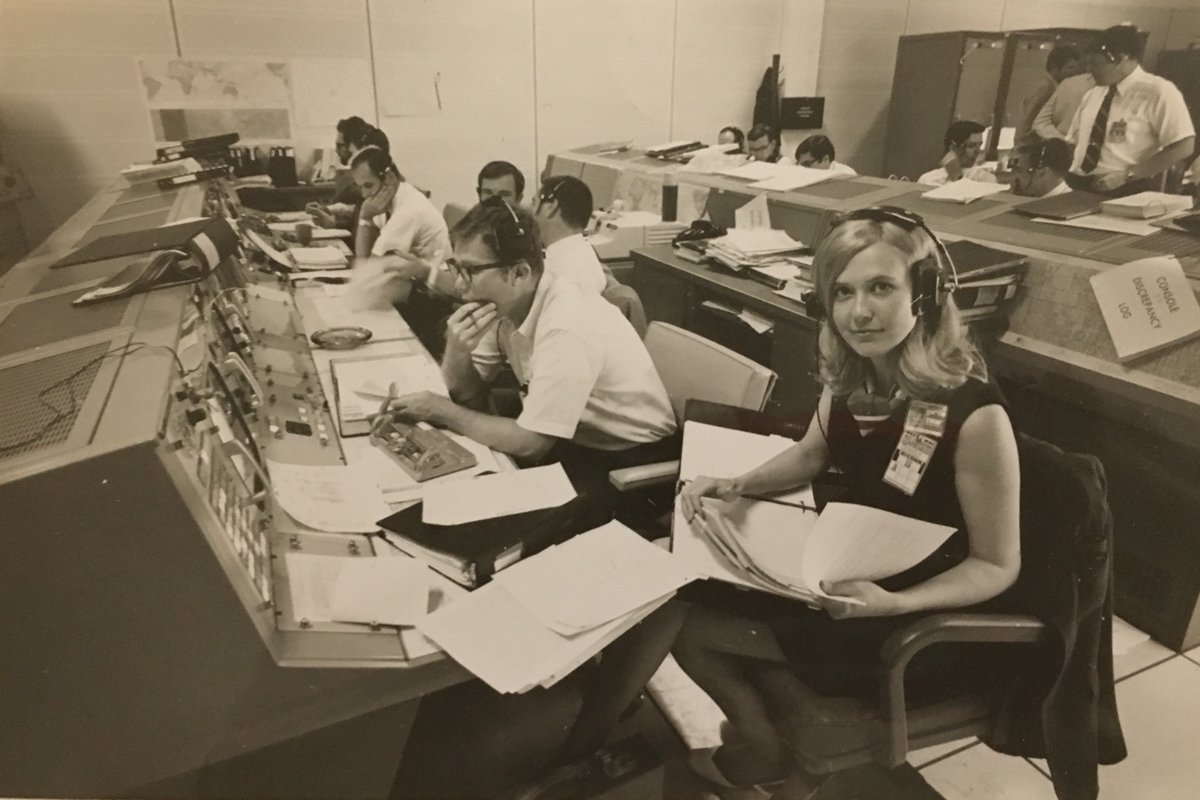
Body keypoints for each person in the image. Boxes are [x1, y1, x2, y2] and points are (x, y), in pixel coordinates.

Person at [672, 207, 1021, 792]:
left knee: (689, 626)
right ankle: (763, 736)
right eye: (843, 293)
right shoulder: (852, 379)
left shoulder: (977, 414)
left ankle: (763, 748)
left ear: (925, 295)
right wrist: (738, 483)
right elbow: (812, 454)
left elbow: (997, 564)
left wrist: (890, 603)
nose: (860, 312)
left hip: (913, 610)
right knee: (689, 582)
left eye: (882, 287)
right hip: (845, 572)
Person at [381, 198, 676, 479]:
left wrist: (443, 411)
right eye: (456, 267)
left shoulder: (566, 324)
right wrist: (458, 353)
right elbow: (471, 395)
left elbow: (532, 443)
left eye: (470, 271)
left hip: (624, 458)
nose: (459, 284)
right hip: (574, 435)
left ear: (519, 273)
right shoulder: (505, 303)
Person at [1065, 25, 1195, 196]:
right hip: (1078, 184)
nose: (1089, 70)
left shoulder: (1158, 91)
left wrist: (1128, 175)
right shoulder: (1093, 93)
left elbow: (1183, 146)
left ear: (1119, 59)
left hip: (1125, 188)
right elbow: (1073, 140)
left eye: (1096, 64)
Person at [534, 176, 609, 294]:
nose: (528, 209)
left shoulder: (558, 273)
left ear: (551, 207)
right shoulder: (582, 255)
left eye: (534, 202)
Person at [307, 118, 381, 228]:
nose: (336, 151)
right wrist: (326, 209)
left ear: (354, 146)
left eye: (339, 145)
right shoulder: (356, 174)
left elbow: (373, 220)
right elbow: (357, 209)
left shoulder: (374, 175)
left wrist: (334, 223)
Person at [1014, 45, 1085, 147]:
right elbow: (1028, 121)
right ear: (1054, 68)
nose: (1075, 72)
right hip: (1031, 149)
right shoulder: (1046, 87)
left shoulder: (1050, 85)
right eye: (1070, 67)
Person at [918, 120, 997, 185]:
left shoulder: (986, 179)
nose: (978, 151)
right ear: (953, 147)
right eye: (971, 145)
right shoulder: (928, 180)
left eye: (979, 145)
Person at [1032, 71, 1095, 142]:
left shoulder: (1070, 83)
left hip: (1063, 147)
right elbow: (1040, 122)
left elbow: (1040, 123)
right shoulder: (1071, 83)